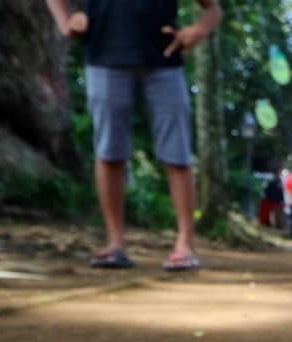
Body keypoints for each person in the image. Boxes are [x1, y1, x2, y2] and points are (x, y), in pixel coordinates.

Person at [46, 0, 222, 270]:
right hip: (104, 56)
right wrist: (66, 21)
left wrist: (197, 31)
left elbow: (213, 9)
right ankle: (115, 243)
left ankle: (185, 244)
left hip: (164, 60)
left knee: (177, 154)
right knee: (109, 152)